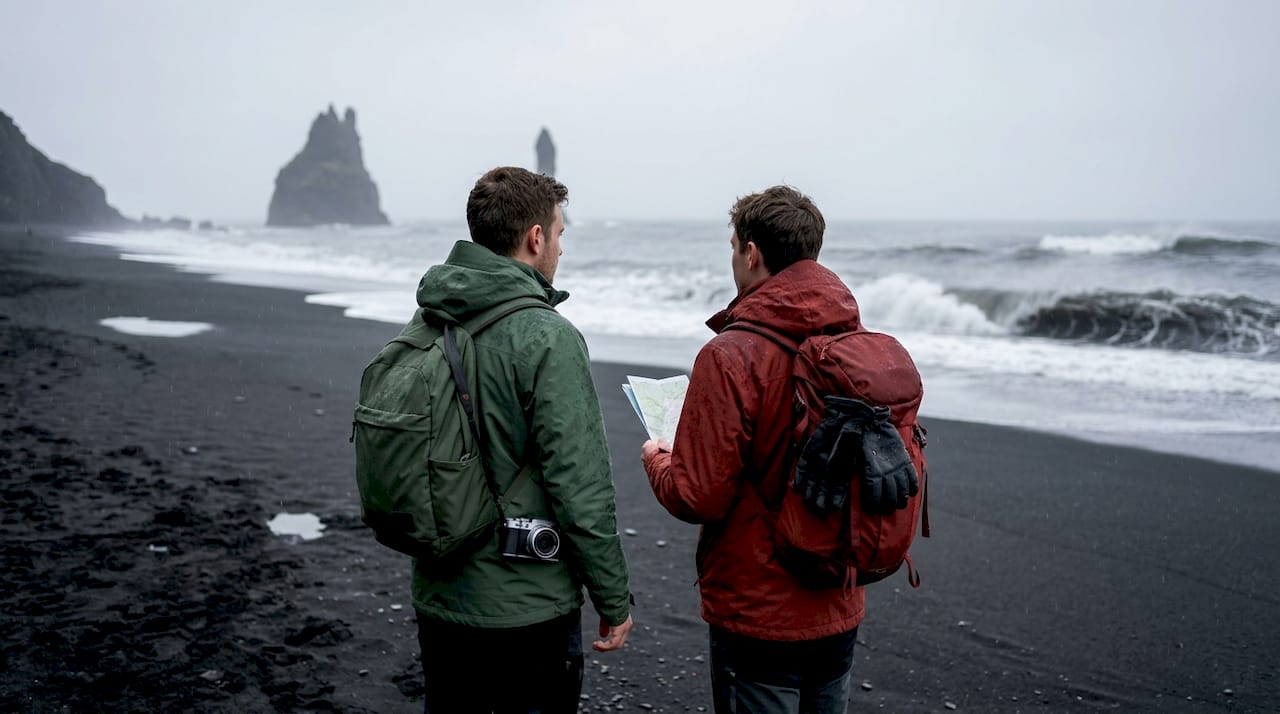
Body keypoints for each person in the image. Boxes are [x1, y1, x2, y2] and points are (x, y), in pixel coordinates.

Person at [412, 166, 633, 713]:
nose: (559, 247)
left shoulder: (430, 319)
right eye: (559, 234)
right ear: (536, 238)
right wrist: (612, 597)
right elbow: (579, 486)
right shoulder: (548, 337)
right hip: (527, 609)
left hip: (439, 595)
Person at [641, 186, 863, 713]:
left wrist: (658, 458)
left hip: (760, 608)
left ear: (751, 252)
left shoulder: (730, 354)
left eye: (734, 246)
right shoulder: (855, 341)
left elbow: (698, 496)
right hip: (840, 597)